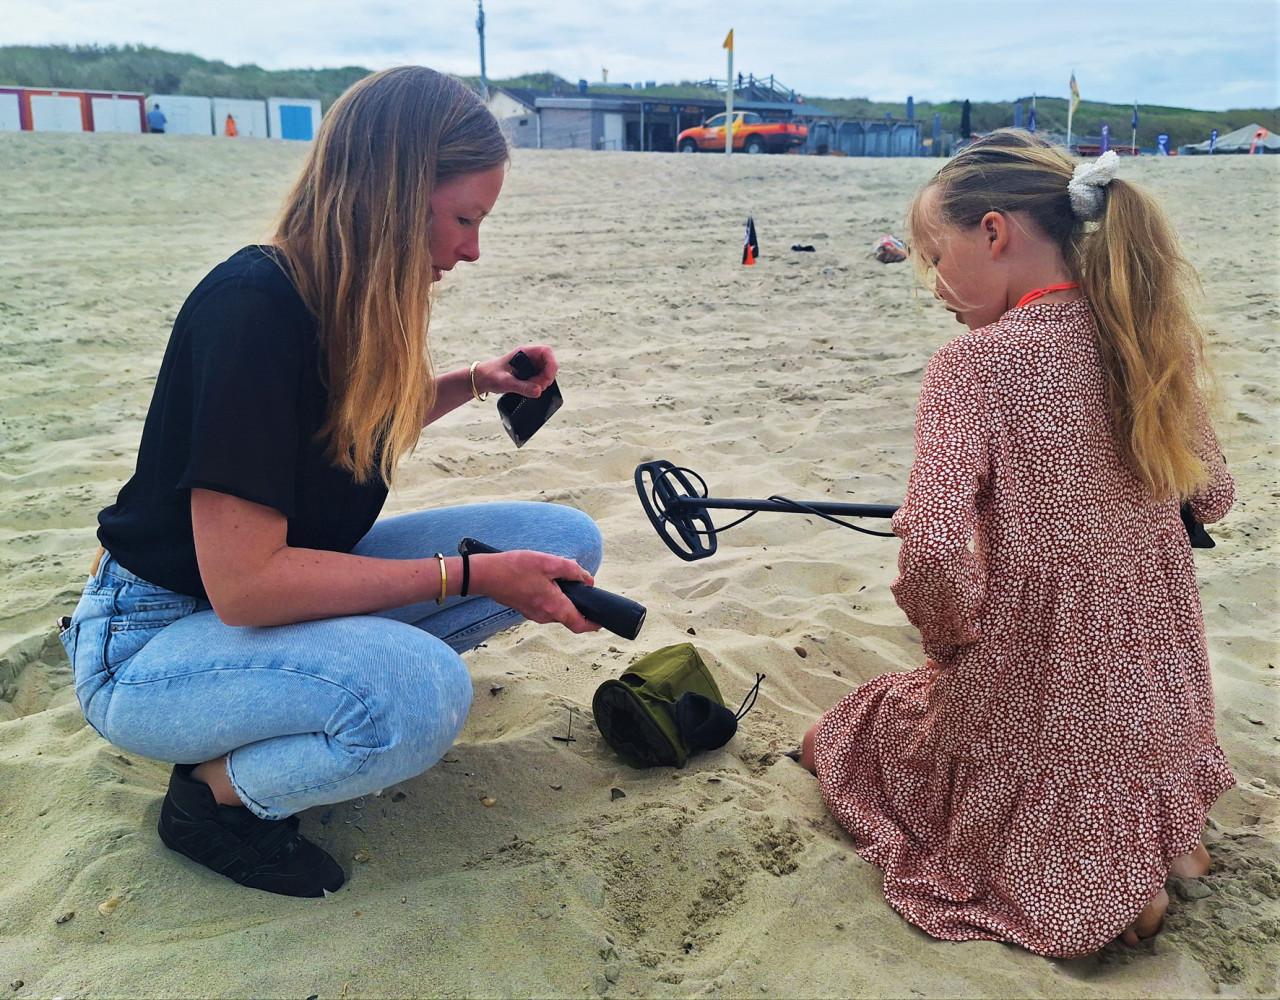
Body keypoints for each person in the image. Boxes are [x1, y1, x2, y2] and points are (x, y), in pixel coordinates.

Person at [59, 66, 604, 898]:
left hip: (261, 596)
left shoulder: (336, 298)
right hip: (153, 641)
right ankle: (212, 800)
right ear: (392, 196)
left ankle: (325, 692)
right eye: (464, 219)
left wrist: (477, 380)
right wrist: (469, 577)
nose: (472, 249)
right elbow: (243, 587)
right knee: (422, 693)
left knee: (565, 543)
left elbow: (341, 429)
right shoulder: (252, 308)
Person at [800, 130, 1234, 958]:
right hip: (1158, 696)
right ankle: (1163, 844)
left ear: (994, 233)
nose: (933, 285)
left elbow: (930, 545)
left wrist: (950, 634)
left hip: (1039, 682)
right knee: (1091, 736)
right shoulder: (1148, 339)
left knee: (850, 737)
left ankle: (1102, 888)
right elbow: (1213, 495)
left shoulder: (979, 364)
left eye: (935, 255)